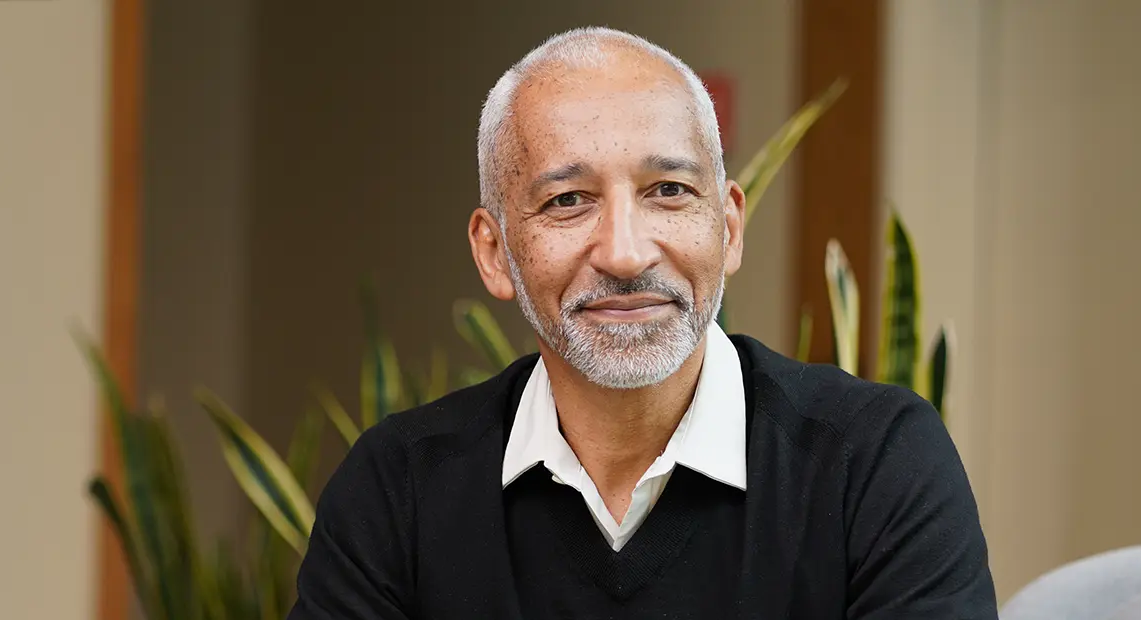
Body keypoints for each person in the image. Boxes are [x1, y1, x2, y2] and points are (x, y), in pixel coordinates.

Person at [289, 27, 995, 619]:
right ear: (495, 251)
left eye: (668, 191)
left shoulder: (873, 467)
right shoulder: (398, 494)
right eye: (568, 201)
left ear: (727, 226)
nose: (625, 252)